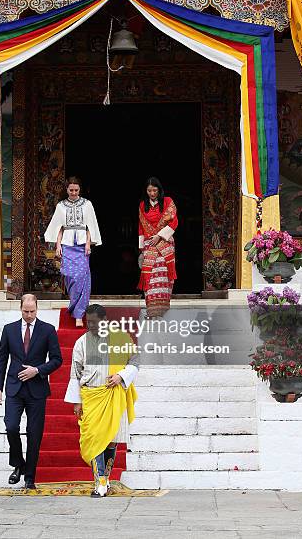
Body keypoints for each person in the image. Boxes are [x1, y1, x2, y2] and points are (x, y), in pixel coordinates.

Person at [64, 304, 139, 497]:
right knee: (97, 440)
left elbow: (135, 361)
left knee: (111, 441)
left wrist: (121, 376)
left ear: (105, 320)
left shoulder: (120, 338)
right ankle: (100, 482)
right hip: (92, 396)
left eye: (95, 323)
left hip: (115, 395)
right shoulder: (81, 342)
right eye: (89, 323)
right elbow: (75, 373)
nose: (92, 326)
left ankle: (104, 479)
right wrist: (77, 402)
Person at [0, 293, 63, 489]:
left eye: (32, 311)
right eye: (26, 311)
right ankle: (18, 464)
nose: (29, 315)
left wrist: (38, 370)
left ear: (37, 309)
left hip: (37, 389)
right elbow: (1, 359)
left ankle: (29, 476)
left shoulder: (48, 330)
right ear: (20, 309)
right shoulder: (9, 330)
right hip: (14, 388)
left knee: (34, 433)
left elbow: (57, 359)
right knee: (11, 427)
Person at [44, 176, 101, 327]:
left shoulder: (87, 204)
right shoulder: (61, 206)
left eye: (76, 190)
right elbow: (58, 227)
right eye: (71, 190)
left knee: (82, 277)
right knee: (70, 276)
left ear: (79, 189)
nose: (74, 193)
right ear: (67, 190)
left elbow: (90, 227)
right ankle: (74, 305)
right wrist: (58, 246)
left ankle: (79, 314)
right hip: (67, 244)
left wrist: (89, 244)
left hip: (82, 245)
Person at [138, 177, 178, 318]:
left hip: (165, 243)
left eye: (155, 190)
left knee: (164, 277)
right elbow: (141, 227)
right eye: (149, 190)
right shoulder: (143, 205)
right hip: (149, 245)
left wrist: (159, 236)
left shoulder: (167, 202)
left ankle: (163, 310)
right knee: (149, 277)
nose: (152, 193)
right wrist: (142, 248)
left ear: (159, 190)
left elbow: (174, 222)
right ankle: (151, 310)